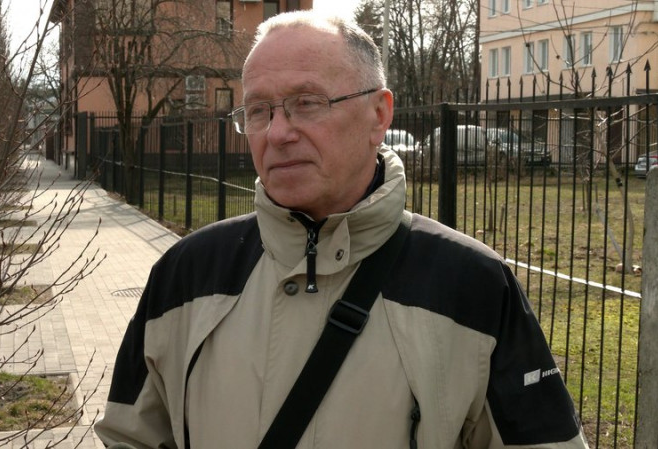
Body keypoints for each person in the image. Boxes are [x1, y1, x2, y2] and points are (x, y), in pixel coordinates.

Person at [95, 11, 589, 449]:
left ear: (379, 114)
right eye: (259, 110)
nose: (278, 132)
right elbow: (129, 437)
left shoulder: (473, 285)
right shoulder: (185, 275)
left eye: (307, 102)